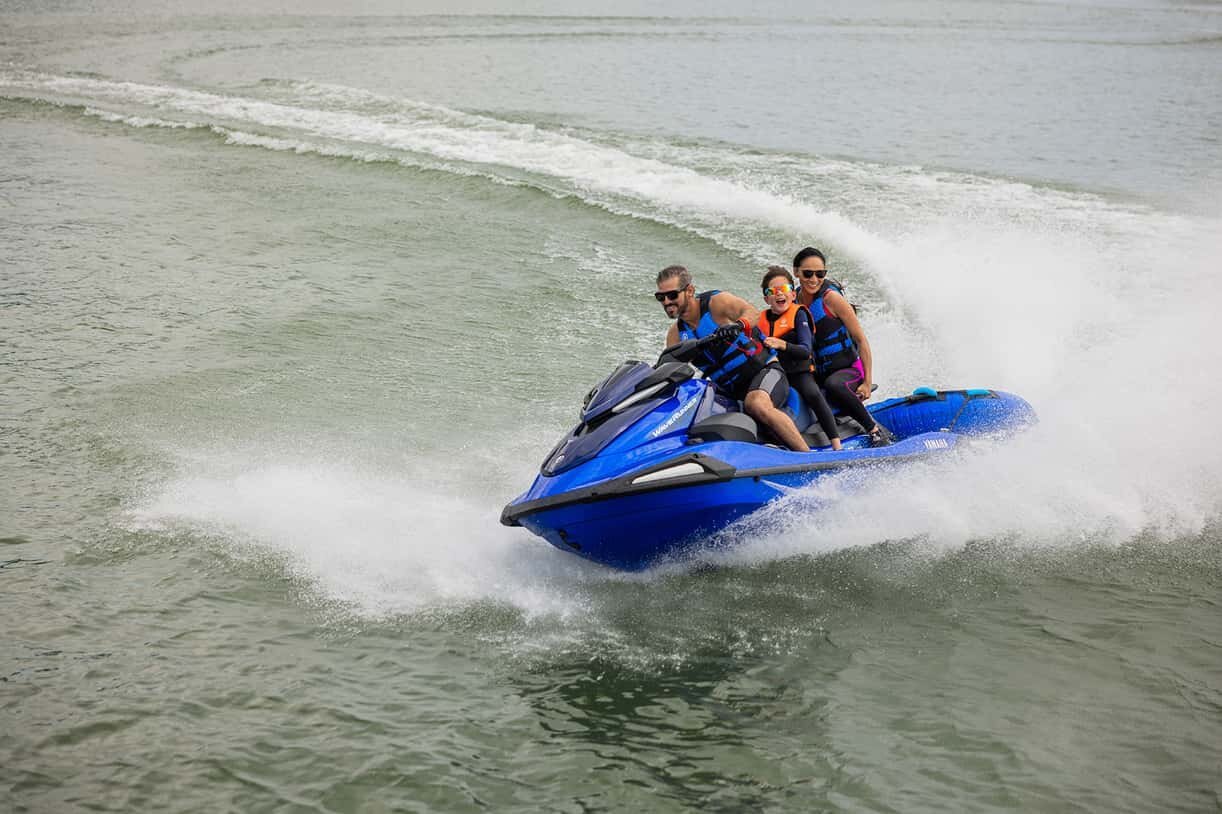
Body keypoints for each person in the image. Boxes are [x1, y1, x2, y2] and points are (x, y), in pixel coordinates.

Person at [655, 265, 810, 452]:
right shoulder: (676, 335)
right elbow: (670, 370)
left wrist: (738, 325)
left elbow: (752, 313)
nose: (666, 302)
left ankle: (806, 456)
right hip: (731, 392)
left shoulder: (716, 303)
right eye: (661, 297)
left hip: (765, 372)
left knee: (756, 403)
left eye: (672, 295)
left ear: (689, 291)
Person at [792, 247, 894, 446]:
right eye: (808, 273)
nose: (814, 279)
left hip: (849, 370)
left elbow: (861, 340)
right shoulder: (793, 300)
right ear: (796, 272)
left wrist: (867, 382)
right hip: (819, 372)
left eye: (820, 274)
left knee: (834, 385)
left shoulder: (832, 299)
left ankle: (874, 431)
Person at [755, 266, 843, 451]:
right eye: (773, 291)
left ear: (793, 294)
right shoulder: (761, 321)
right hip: (776, 375)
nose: (780, 293)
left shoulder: (799, 314)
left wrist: (782, 344)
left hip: (799, 373)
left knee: (812, 394)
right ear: (766, 299)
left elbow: (805, 350)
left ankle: (836, 444)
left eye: (784, 289)